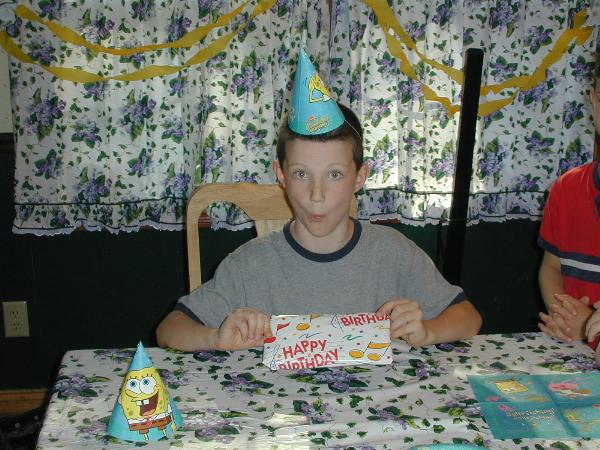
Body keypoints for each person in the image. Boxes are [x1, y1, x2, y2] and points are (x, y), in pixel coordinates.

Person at [156, 50, 482, 352]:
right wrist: (216, 336)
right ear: (281, 175)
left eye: (335, 174)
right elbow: (170, 329)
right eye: (301, 174)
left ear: (360, 177)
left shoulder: (394, 254)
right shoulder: (249, 265)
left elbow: (468, 317)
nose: (317, 194)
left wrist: (427, 331)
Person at [537, 51, 600, 351]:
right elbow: (551, 268)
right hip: (571, 346)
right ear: (593, 100)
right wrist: (567, 318)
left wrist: (590, 325)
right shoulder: (567, 188)